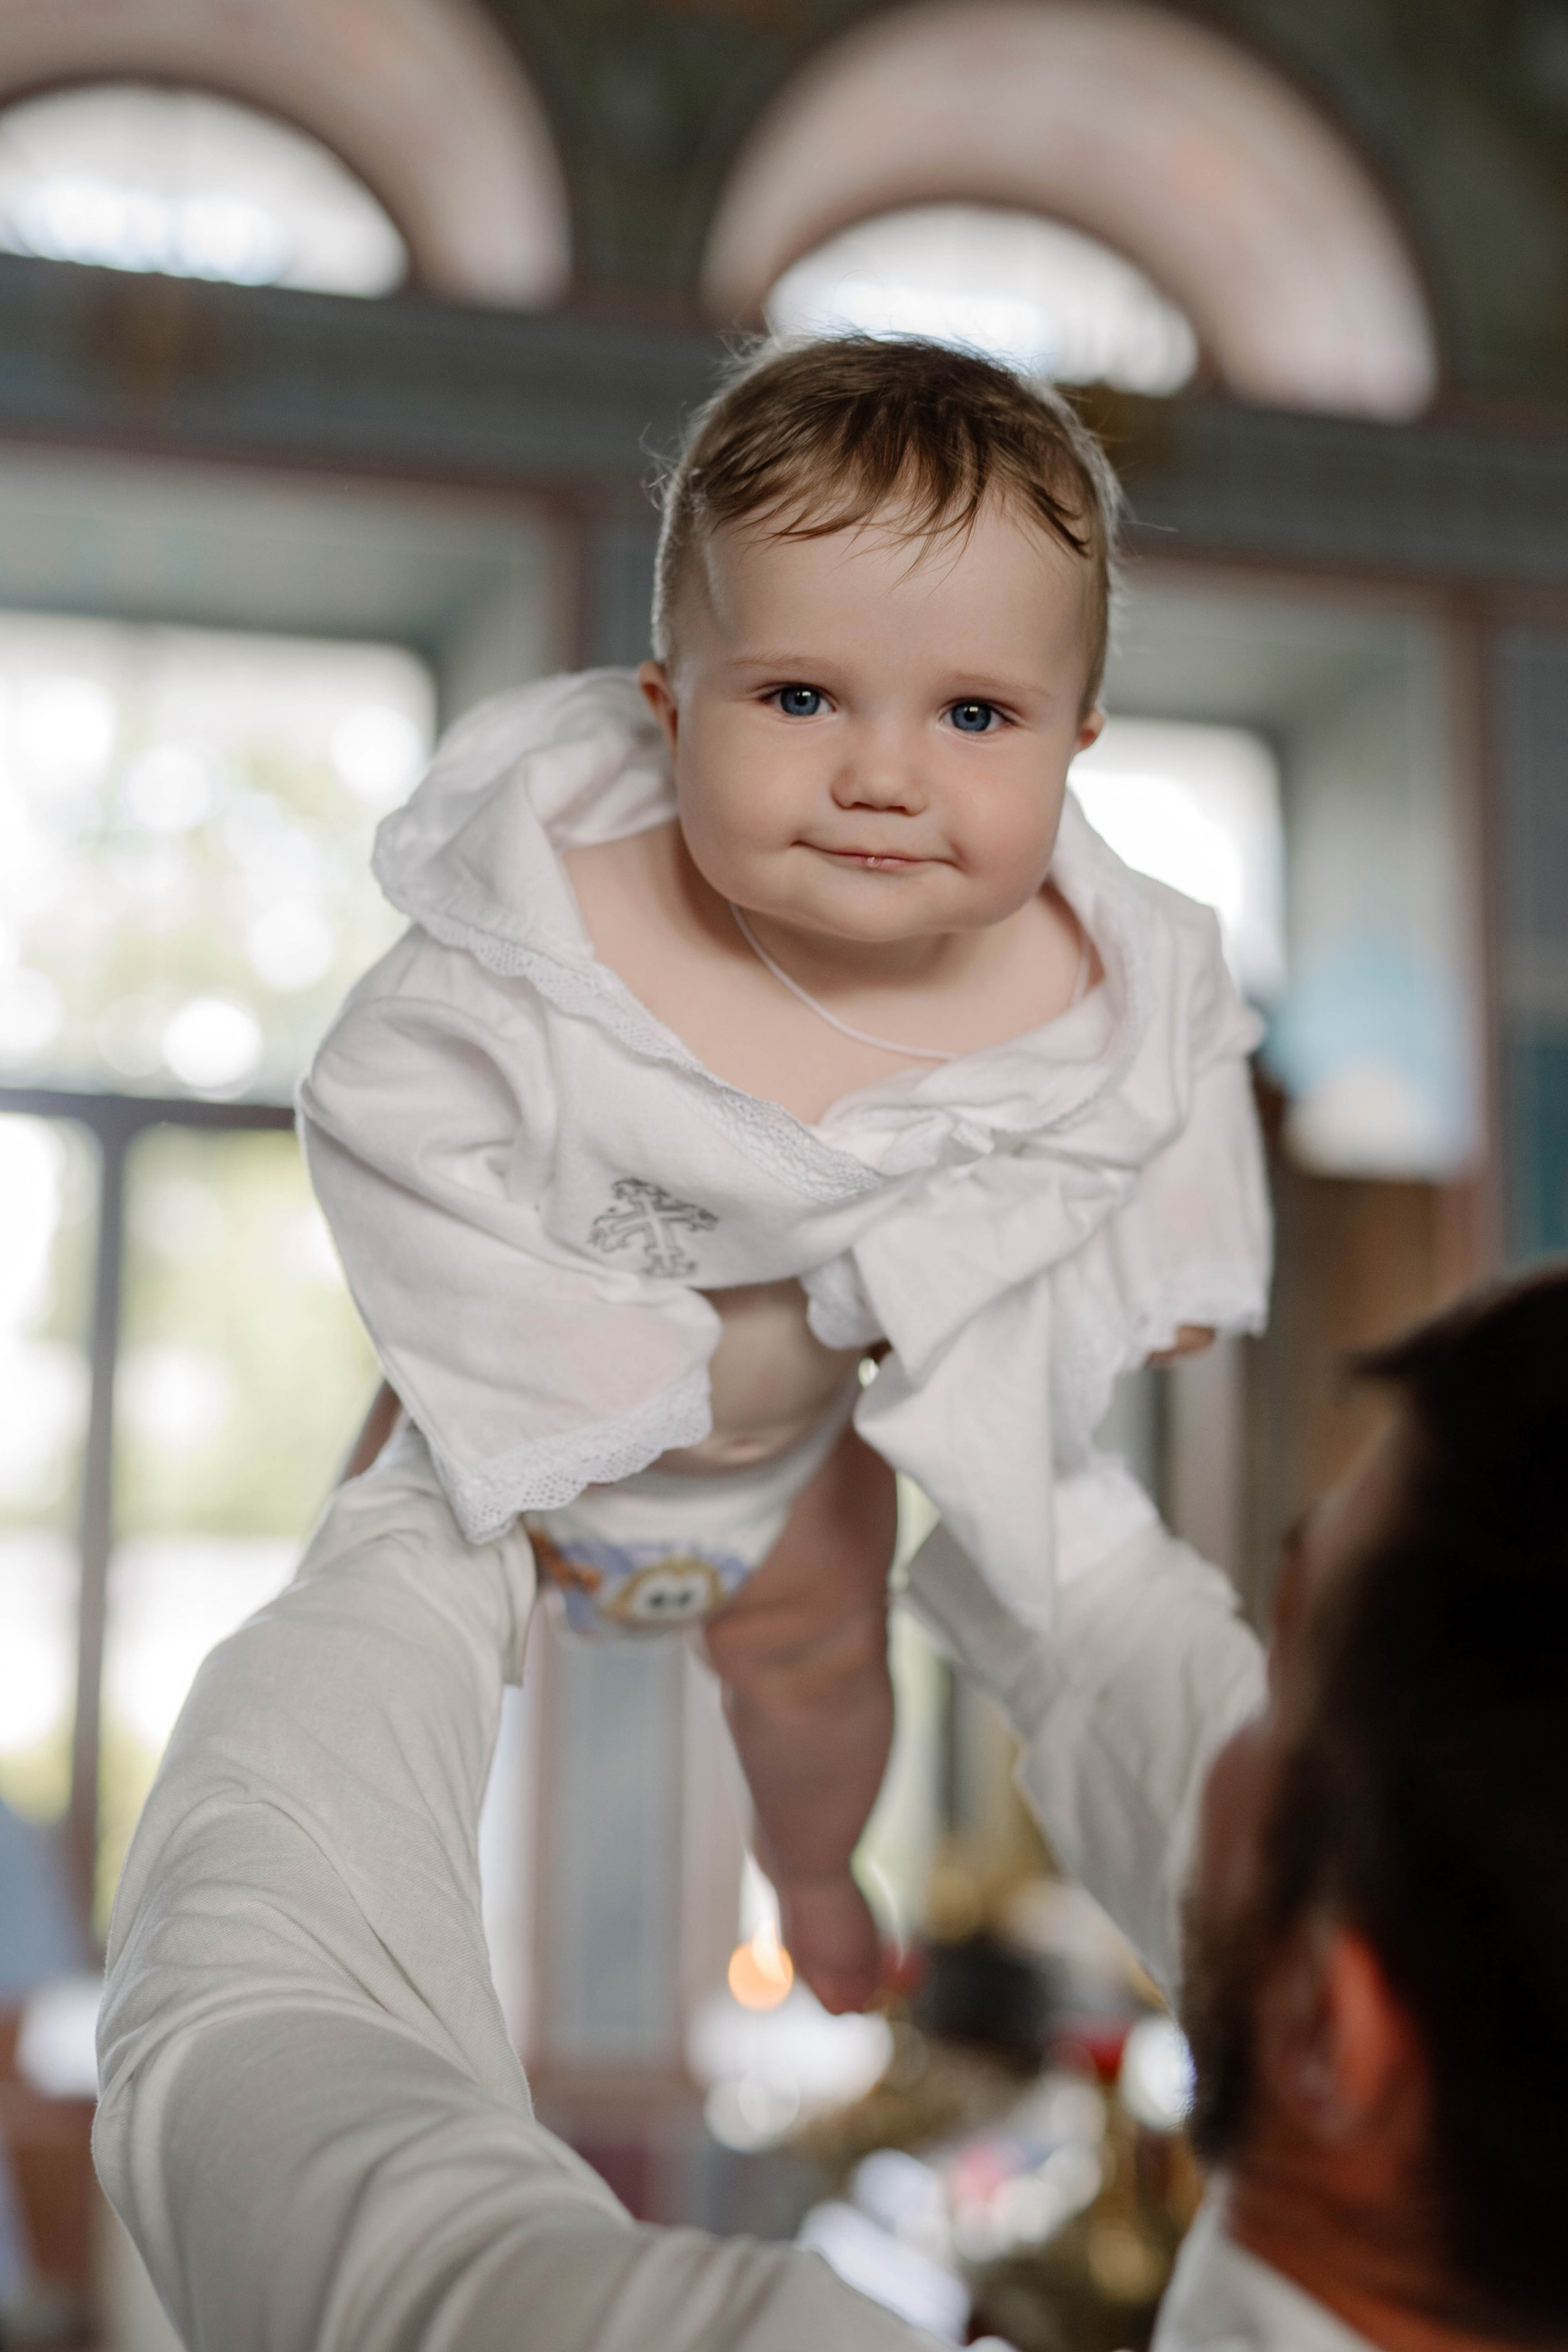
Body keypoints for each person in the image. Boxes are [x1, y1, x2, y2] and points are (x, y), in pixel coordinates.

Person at [296, 334, 1269, 2012]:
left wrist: (1152, 1279)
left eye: (975, 714)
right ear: (673, 706)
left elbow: (1172, 1086)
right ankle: (360, 1935)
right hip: (505, 1430)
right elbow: (390, 1119)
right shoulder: (561, 936)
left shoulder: (1097, 987)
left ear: (1078, 741)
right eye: (801, 697)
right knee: (371, 1639)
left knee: (827, 1689)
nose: (883, 772)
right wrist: (557, 1370)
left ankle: (810, 1871)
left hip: (789, 1479)